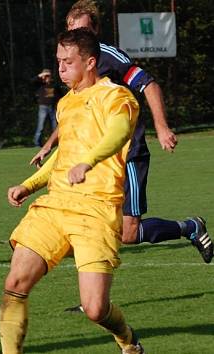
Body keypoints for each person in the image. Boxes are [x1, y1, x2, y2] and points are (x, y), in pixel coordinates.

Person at [30, 0, 212, 264]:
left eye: (84, 30)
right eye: (72, 29)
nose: (78, 36)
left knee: (128, 232)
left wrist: (161, 128)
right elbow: (76, 112)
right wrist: (49, 145)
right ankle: (92, 302)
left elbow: (148, 85)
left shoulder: (110, 56)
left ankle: (189, 227)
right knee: (90, 222)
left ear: (95, 31)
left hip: (127, 154)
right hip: (94, 158)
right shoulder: (72, 62)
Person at [0, 28, 144, 354]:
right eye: (59, 61)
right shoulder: (65, 103)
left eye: (68, 62)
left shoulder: (117, 97)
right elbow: (64, 155)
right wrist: (30, 184)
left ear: (90, 62)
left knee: (95, 309)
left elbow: (120, 133)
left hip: (97, 208)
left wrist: (90, 161)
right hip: (55, 206)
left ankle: (127, 339)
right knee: (15, 283)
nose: (61, 68)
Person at [31, 69, 61, 147]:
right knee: (40, 126)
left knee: (55, 126)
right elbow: (32, 81)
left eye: (48, 76)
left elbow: (60, 95)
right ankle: (37, 143)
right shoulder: (40, 84)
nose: (47, 77)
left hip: (52, 107)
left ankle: (56, 142)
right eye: (46, 76)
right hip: (43, 107)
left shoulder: (54, 85)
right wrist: (41, 75)